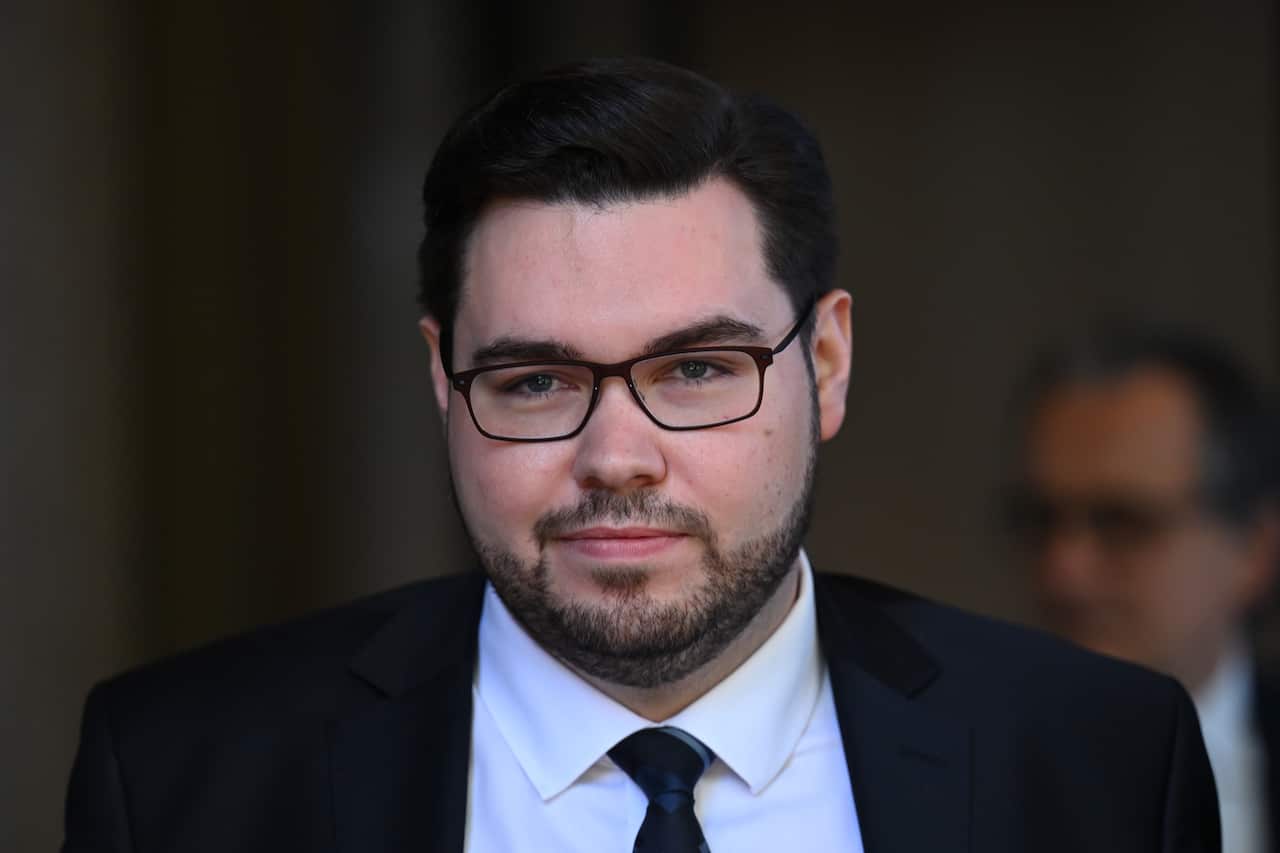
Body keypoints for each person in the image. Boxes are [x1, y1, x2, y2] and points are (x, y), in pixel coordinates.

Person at [63, 58, 1218, 852]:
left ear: (823, 364)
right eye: (534, 381)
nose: (616, 455)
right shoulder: (181, 776)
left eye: (698, 369)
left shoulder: (1096, 759)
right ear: (439, 384)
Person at [1009, 329, 1280, 853]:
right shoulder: (951, 760)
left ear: (1255, 550)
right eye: (1041, 521)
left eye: (1122, 523)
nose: (1064, 572)